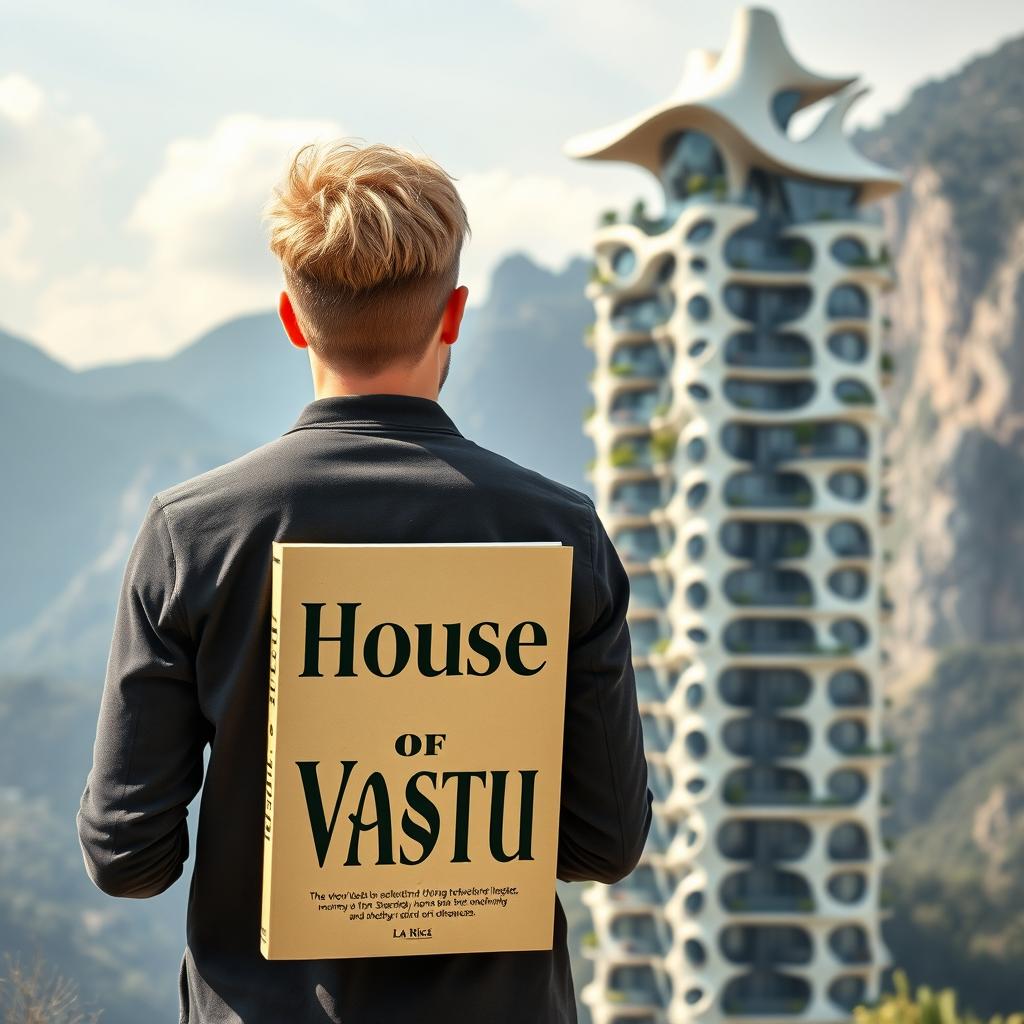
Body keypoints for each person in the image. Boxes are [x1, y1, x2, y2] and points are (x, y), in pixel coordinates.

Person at [77, 139, 652, 1024]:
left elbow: (129, 859)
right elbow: (604, 843)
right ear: (454, 313)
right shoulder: (559, 532)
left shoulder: (191, 534)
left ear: (291, 317)